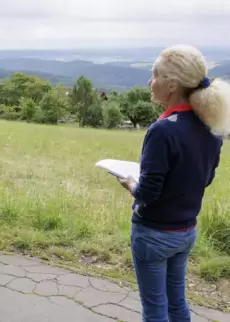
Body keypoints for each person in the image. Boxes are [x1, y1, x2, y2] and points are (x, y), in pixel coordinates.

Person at [117, 44, 230, 321]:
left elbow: (148, 194)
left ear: (170, 85)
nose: (149, 81)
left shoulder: (162, 130)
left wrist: (130, 184)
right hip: (186, 230)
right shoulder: (210, 125)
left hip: (153, 234)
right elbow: (206, 178)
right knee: (177, 303)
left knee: (155, 310)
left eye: (154, 75)